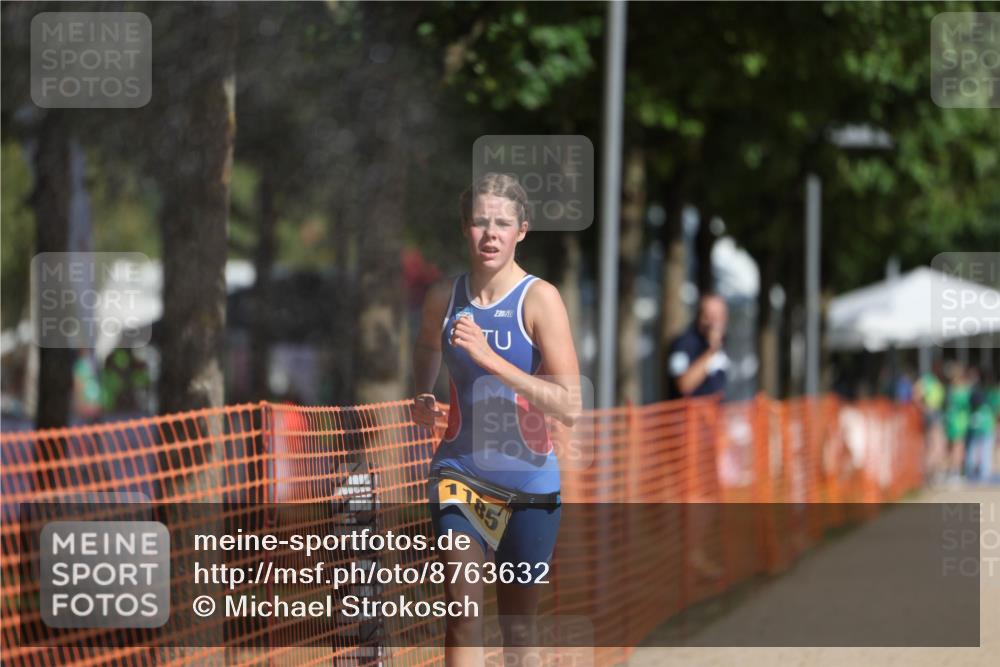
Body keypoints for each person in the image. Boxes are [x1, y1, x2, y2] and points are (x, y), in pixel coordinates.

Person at [411, 173, 581, 666]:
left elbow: (569, 405)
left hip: (529, 480)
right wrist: (422, 392)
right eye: (480, 222)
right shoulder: (444, 297)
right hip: (459, 472)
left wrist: (489, 358)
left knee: (518, 633)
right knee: (462, 613)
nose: (490, 234)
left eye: (502, 223)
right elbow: (426, 346)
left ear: (521, 230)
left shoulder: (539, 299)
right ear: (464, 227)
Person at [666, 293, 729, 399]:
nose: (714, 323)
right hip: (688, 409)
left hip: (716, 408)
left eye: (719, 317)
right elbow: (683, 385)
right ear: (700, 316)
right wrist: (711, 351)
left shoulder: (722, 341)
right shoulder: (682, 344)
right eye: (709, 316)